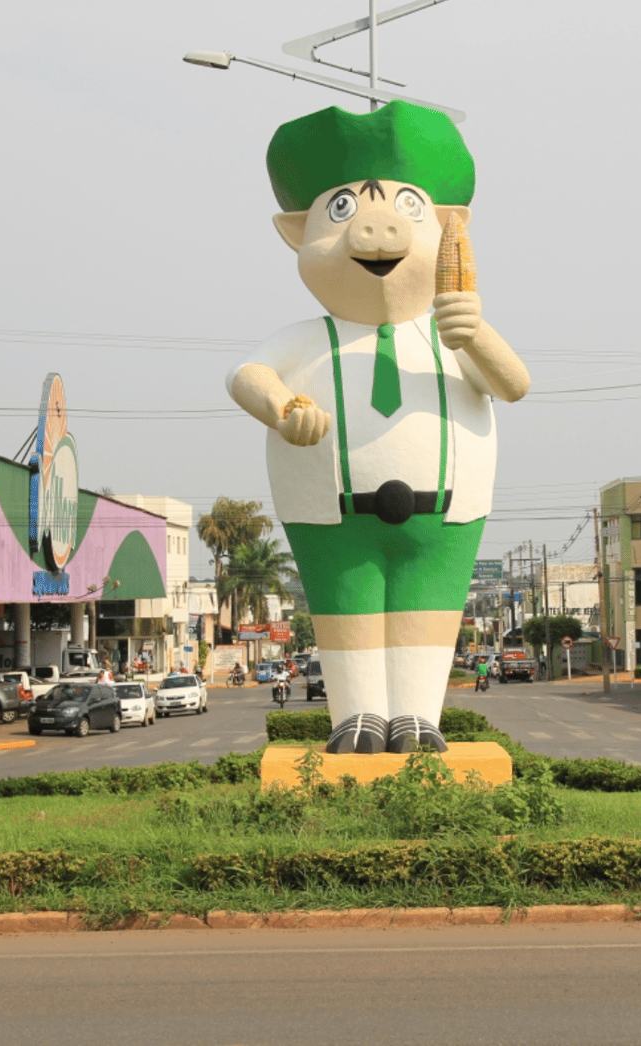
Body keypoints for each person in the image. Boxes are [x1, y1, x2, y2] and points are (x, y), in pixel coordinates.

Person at [226, 102, 529, 755]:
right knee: (345, 607)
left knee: (430, 608)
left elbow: (513, 384)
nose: (377, 228)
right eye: (342, 210)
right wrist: (282, 406)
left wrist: (475, 333)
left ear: (450, 228)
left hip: (447, 508)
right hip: (329, 510)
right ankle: (357, 713)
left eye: (407, 208)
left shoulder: (452, 331)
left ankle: (418, 716)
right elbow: (248, 375)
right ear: (297, 233)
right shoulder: (309, 337)